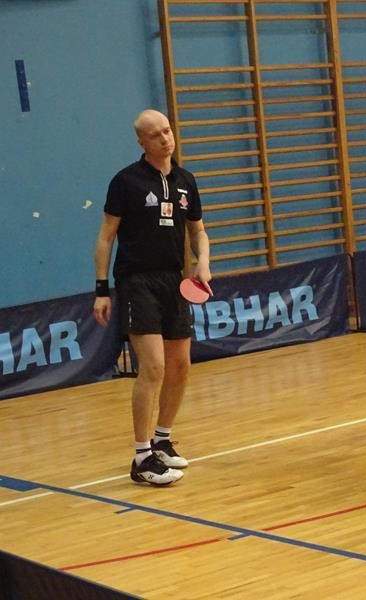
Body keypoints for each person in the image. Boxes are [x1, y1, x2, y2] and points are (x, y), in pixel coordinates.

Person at [93, 109, 212, 485]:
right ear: (141, 142)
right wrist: (101, 290)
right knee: (154, 367)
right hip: (136, 282)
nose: (165, 139)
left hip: (173, 281)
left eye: (167, 131)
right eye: (156, 135)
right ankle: (142, 458)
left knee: (180, 365)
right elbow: (106, 237)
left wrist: (203, 262)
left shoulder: (185, 181)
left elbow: (198, 231)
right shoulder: (126, 181)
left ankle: (162, 440)